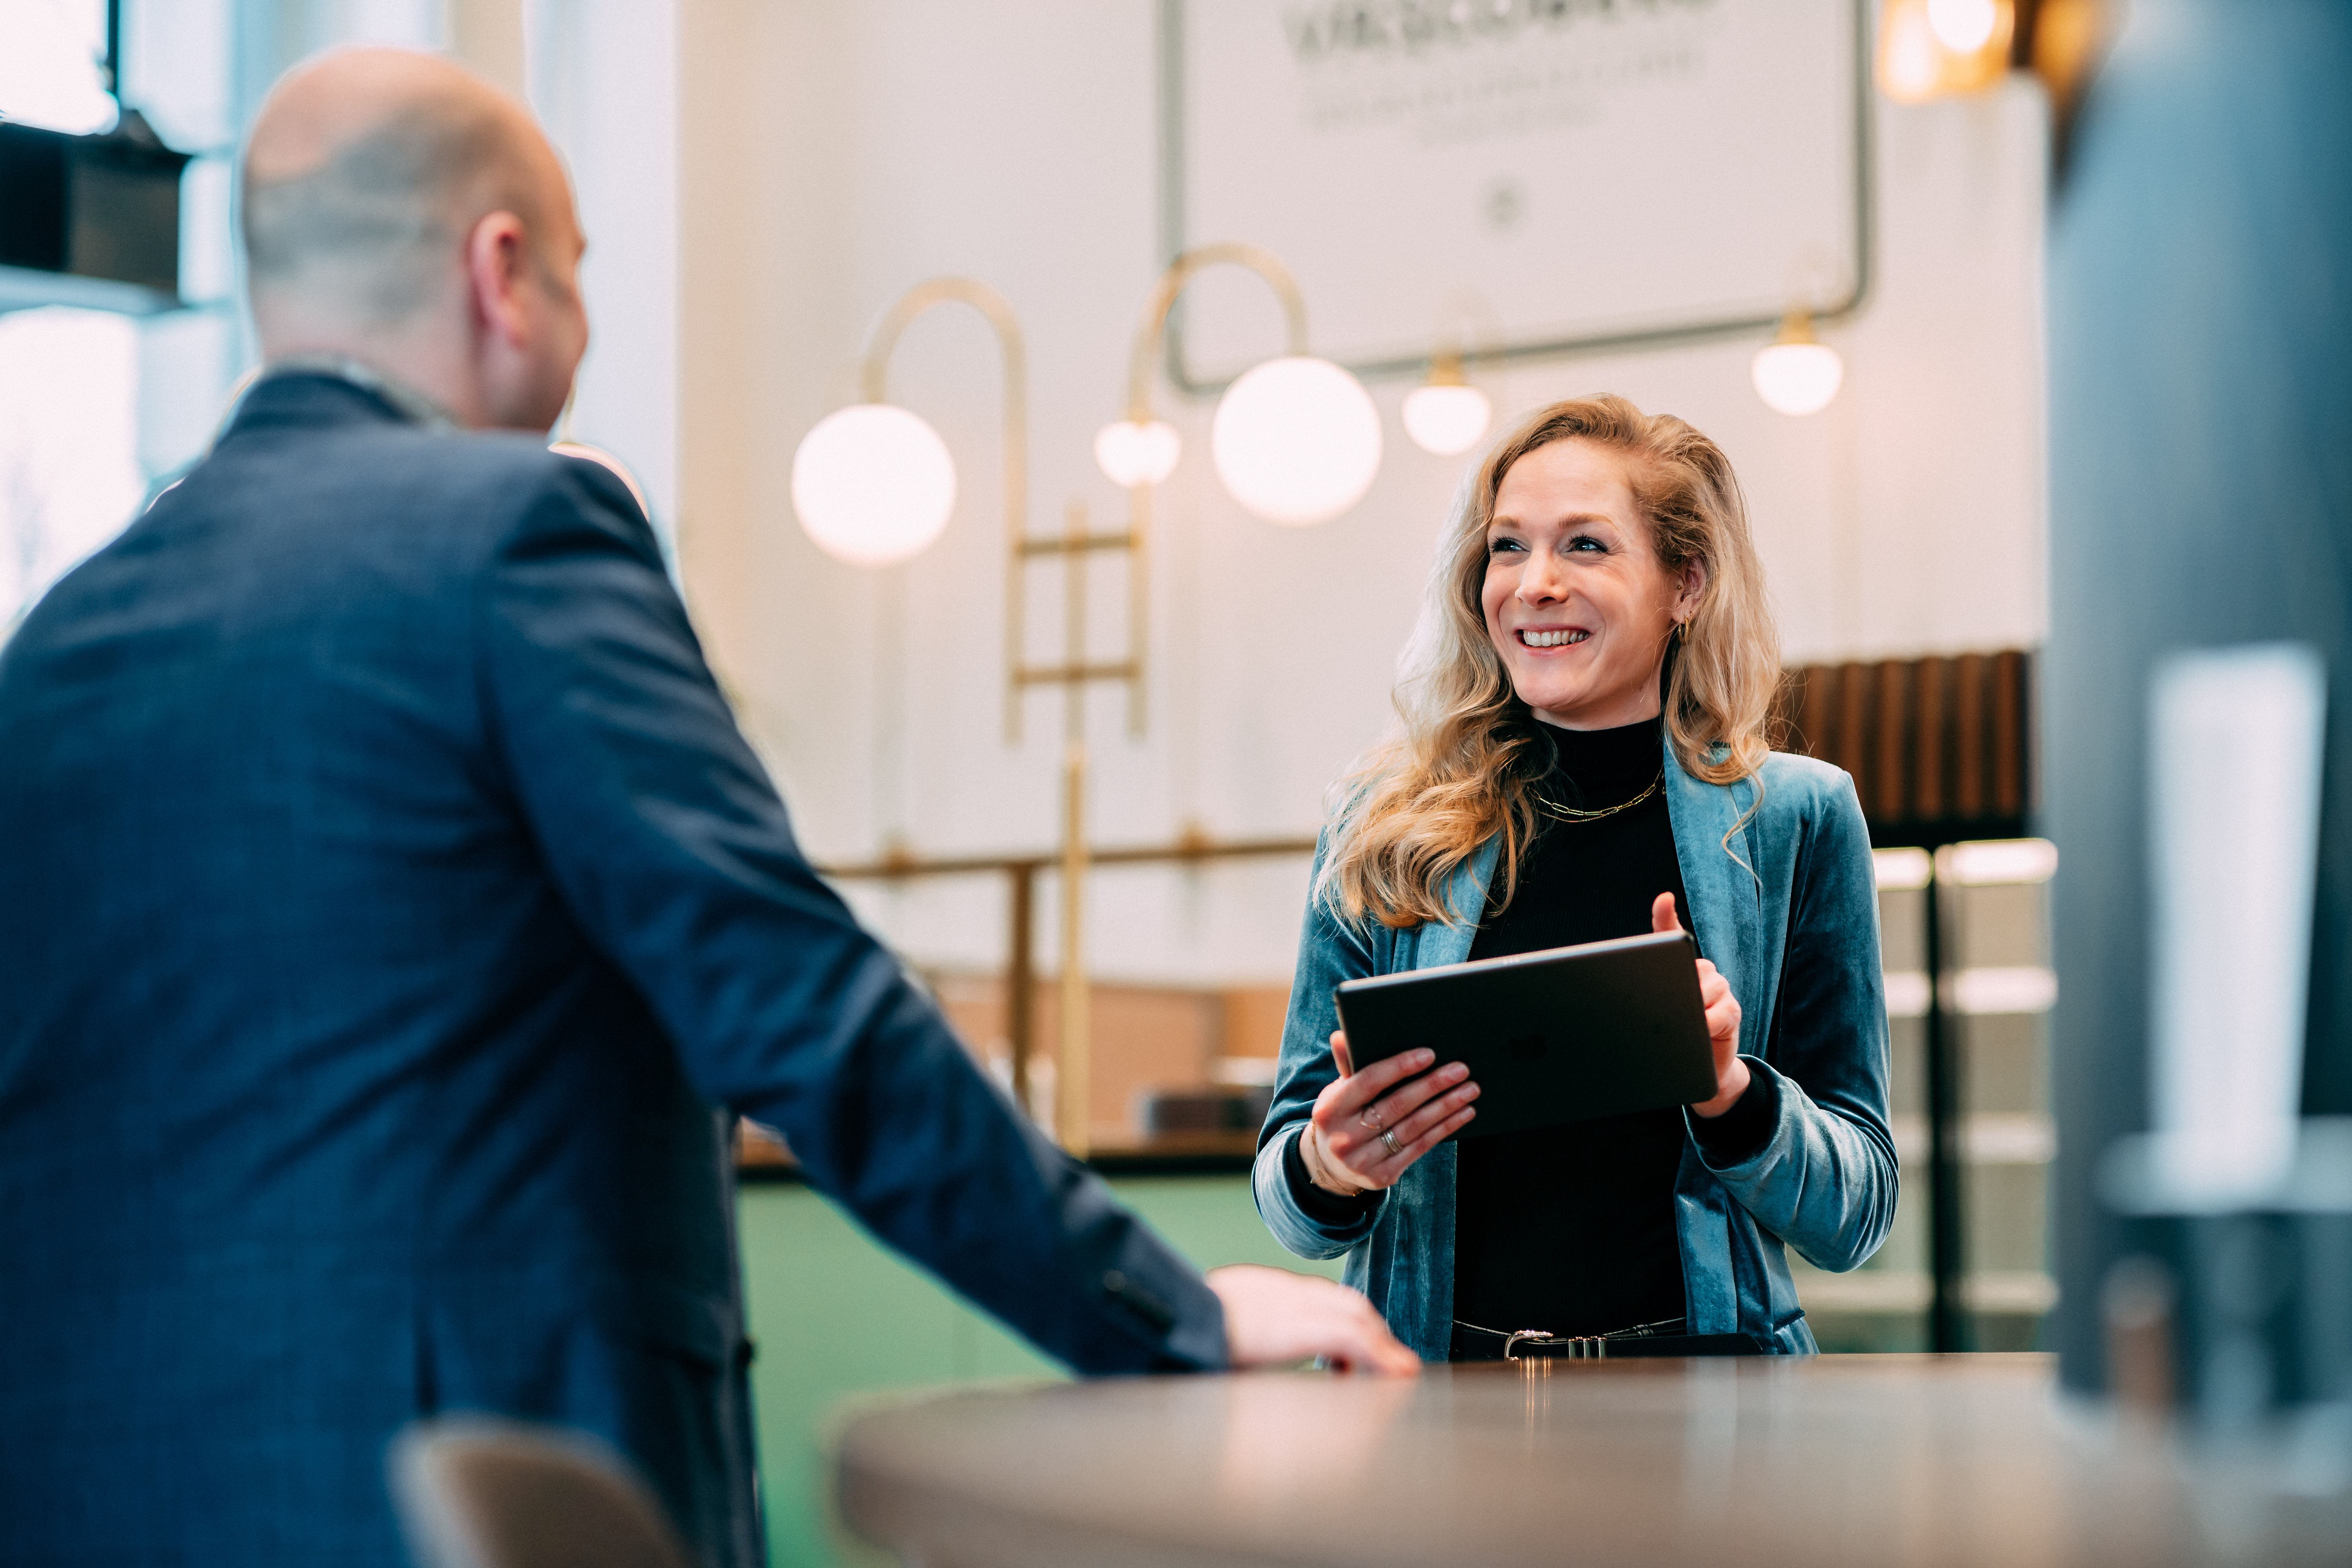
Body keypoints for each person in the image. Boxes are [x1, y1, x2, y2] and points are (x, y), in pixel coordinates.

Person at [0, 47, 1410, 1568]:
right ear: (503, 269)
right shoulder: (519, 528)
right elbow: (799, 1004)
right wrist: (1173, 1317)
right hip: (468, 1489)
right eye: (584, 273)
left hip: (92, 1489)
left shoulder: (62, 639)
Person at [1253, 396, 1897, 1360]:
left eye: (1585, 546)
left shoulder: (1796, 820)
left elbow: (1859, 1210)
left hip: (1704, 1405)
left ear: (1686, 583)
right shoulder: (1381, 825)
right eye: (1507, 548)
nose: (1535, 584)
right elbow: (1291, 1203)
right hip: (1433, 1399)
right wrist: (1329, 1160)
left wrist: (1731, 1091)